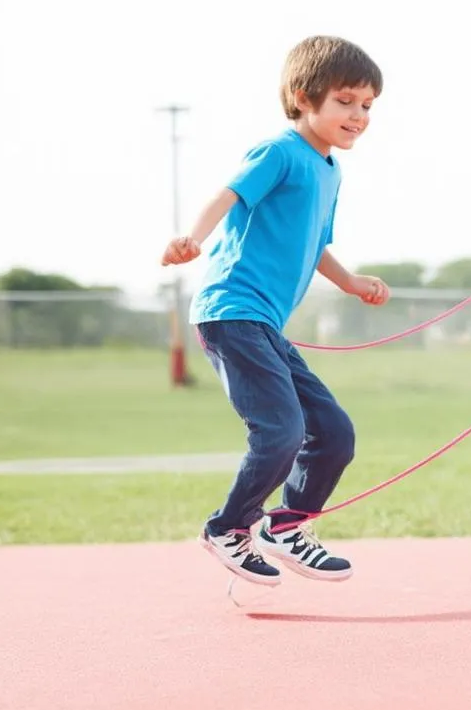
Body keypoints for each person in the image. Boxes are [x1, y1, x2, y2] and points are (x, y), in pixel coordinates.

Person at [161, 35, 390, 588]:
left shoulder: (330, 169)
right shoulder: (280, 152)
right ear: (303, 97)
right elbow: (229, 195)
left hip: (263, 324)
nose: (357, 115)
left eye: (367, 105)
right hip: (229, 311)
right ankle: (228, 528)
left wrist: (352, 282)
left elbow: (314, 246)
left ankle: (285, 524)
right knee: (280, 431)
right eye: (345, 101)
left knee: (333, 432)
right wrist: (193, 238)